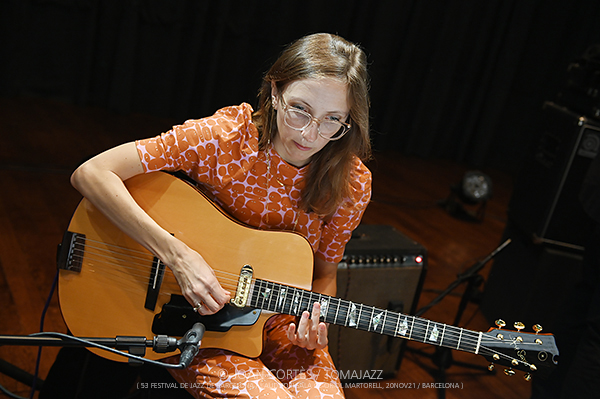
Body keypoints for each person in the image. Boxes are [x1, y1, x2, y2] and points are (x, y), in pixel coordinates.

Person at [67, 32, 372, 398]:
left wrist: (310, 322)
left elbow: (323, 275)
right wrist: (177, 256)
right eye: (300, 109)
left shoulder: (352, 183)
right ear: (275, 93)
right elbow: (92, 173)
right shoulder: (224, 138)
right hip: (195, 319)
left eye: (332, 120)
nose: (310, 133)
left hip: (278, 324)